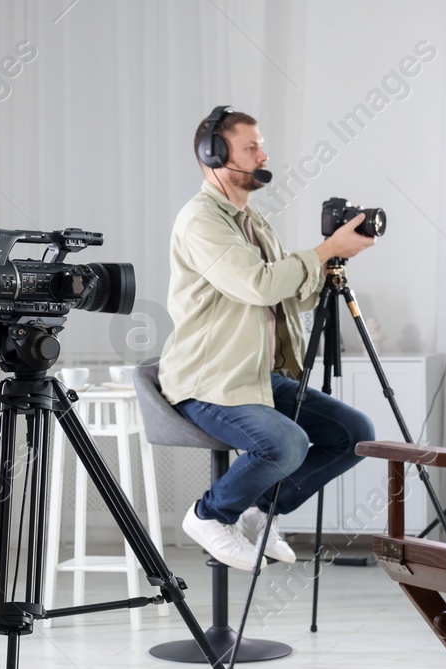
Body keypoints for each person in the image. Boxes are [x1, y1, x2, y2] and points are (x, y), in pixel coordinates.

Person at [160, 107, 377, 571]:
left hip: (256, 377)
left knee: (355, 435)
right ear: (214, 155)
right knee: (287, 443)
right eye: (251, 147)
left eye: (261, 145)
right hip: (209, 380)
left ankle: (262, 511)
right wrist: (324, 251)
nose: (264, 154)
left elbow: (285, 298)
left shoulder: (254, 222)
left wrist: (332, 262)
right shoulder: (202, 221)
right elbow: (257, 284)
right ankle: (209, 515)